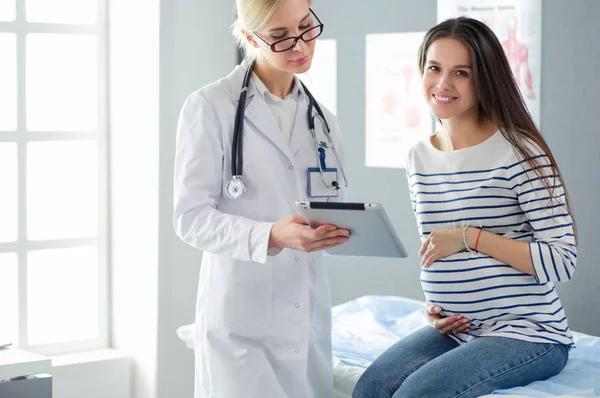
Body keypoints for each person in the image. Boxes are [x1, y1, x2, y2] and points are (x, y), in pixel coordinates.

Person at [353, 17, 577, 398]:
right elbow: (436, 248)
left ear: (484, 79)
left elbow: (562, 261)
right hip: (459, 331)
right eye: (434, 68)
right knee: (370, 389)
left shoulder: (520, 152)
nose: (443, 84)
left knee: (415, 395)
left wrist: (470, 238)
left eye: (461, 73)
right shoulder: (419, 157)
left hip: (529, 332)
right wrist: (435, 305)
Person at [172, 0, 349, 397]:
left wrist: (338, 229)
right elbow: (190, 217)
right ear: (250, 37)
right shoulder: (210, 107)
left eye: (306, 26)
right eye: (281, 37)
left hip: (306, 318)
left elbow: (332, 202)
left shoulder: (324, 120)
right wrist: (270, 234)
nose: (301, 45)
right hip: (241, 324)